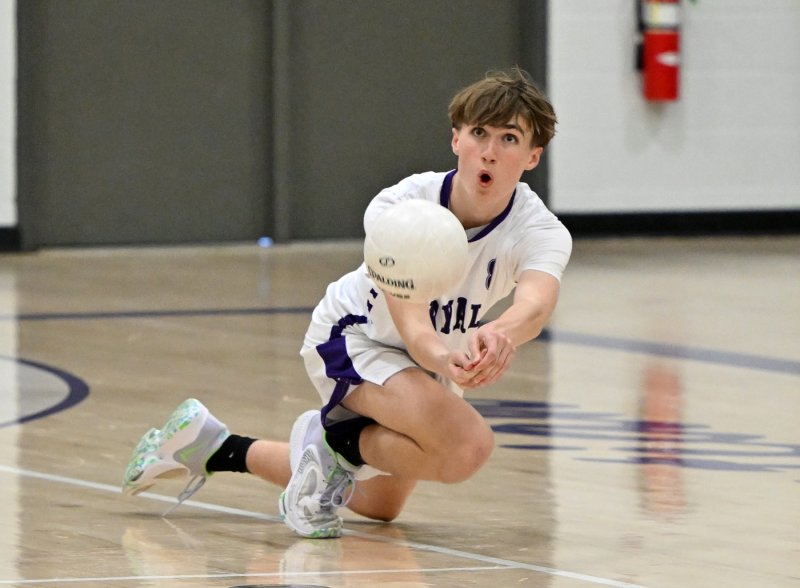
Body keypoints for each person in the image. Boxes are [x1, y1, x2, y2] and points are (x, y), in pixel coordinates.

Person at [122, 67, 572, 538]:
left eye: (509, 138)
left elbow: (536, 302)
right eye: (479, 132)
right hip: (355, 340)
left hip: (426, 364)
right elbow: (414, 328)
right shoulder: (400, 206)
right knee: (466, 448)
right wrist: (446, 357)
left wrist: (501, 333)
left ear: (533, 156)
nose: (489, 151)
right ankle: (335, 443)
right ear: (456, 138)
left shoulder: (538, 229)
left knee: (380, 506)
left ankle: (213, 447)